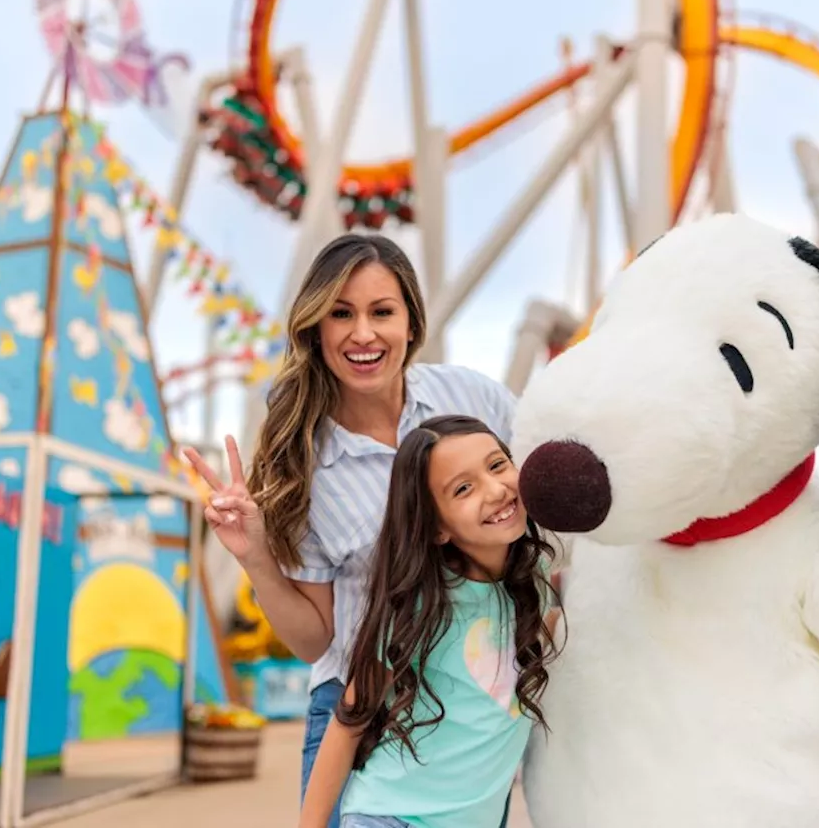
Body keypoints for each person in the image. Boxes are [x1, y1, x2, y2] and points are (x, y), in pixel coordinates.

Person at [183, 234, 518, 827]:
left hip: (469, 696)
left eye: (381, 312)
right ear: (316, 329)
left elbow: (536, 497)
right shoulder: (303, 467)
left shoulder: (471, 396)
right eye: (341, 313)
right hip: (361, 709)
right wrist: (255, 556)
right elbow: (316, 641)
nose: (363, 333)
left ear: (412, 322)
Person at [297, 415, 562, 828]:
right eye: (463, 489)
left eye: (497, 465)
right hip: (390, 817)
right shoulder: (422, 607)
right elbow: (349, 722)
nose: (495, 490)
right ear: (437, 527)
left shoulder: (537, 579)